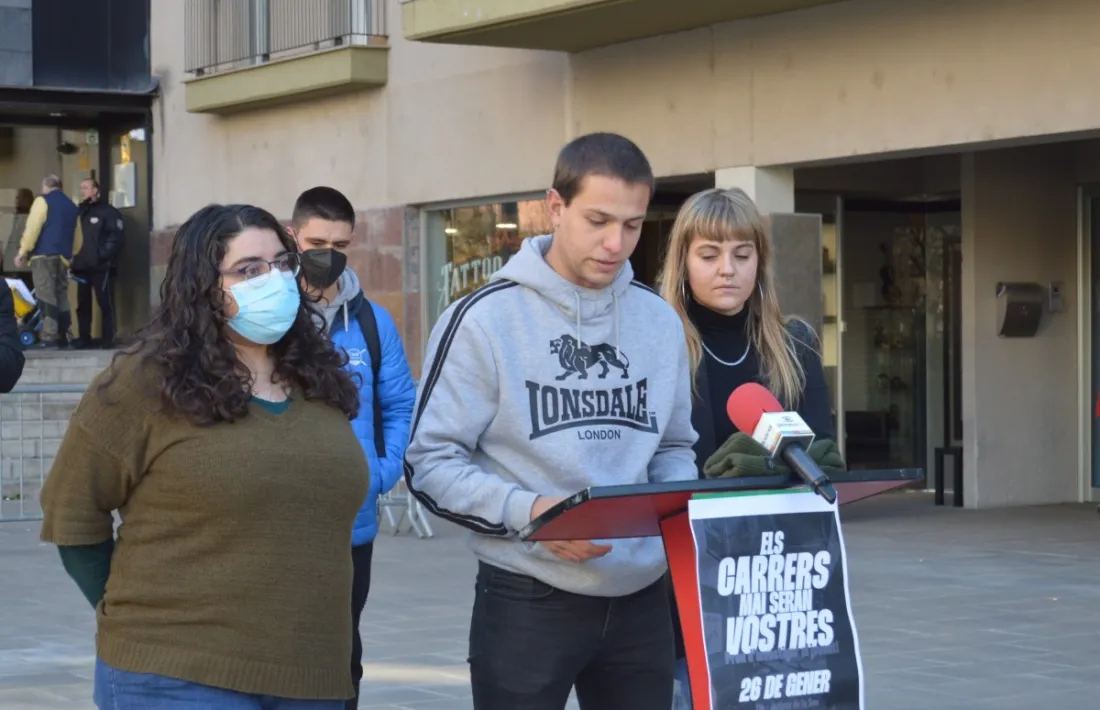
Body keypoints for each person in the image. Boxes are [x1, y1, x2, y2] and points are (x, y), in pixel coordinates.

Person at [404, 132, 699, 710]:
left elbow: (673, 444)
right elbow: (429, 463)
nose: (616, 243)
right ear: (556, 207)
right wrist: (532, 514)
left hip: (643, 597)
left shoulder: (659, 322)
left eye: (633, 225)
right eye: (598, 220)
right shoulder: (483, 320)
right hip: (526, 597)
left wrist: (667, 508)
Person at [38, 203, 369, 709]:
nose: (274, 280)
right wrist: (133, 618)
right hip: (175, 674)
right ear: (203, 286)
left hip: (312, 676)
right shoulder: (145, 382)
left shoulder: (317, 377)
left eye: (283, 264)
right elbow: (72, 511)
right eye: (249, 269)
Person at [655, 186, 835, 704]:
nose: (727, 269)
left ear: (761, 259)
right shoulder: (654, 343)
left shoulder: (794, 342)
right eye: (709, 255)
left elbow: (821, 450)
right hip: (678, 579)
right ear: (683, 261)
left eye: (742, 254)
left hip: (774, 581)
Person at [288, 186, 416, 710]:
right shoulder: (265, 315)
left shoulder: (372, 323)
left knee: (344, 652)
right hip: (277, 519)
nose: (327, 253)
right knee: (282, 651)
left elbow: (401, 404)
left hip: (351, 520)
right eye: (316, 240)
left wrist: (381, 474)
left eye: (340, 243)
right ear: (292, 235)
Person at [14, 174, 82, 348]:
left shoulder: (42, 201)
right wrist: (70, 255)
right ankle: (66, 335)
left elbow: (33, 228)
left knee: (46, 296)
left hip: (44, 256)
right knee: (62, 297)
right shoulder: (72, 206)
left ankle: (50, 336)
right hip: (63, 258)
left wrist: (23, 251)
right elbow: (78, 238)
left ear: (46, 186)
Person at [71, 177, 125, 349]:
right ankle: (84, 338)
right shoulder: (80, 212)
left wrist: (102, 256)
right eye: (81, 188)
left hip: (100, 266)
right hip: (81, 266)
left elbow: (115, 237)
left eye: (86, 187)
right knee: (83, 304)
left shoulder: (108, 212)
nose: (83, 191)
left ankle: (108, 338)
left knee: (104, 302)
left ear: (95, 190)